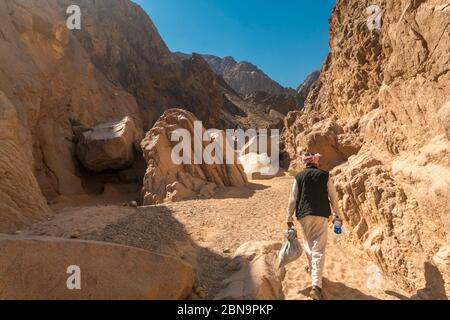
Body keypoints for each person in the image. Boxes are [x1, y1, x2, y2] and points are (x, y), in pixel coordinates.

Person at [286, 152, 342, 300]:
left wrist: (289, 217)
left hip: (303, 216)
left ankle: (313, 272)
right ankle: (316, 285)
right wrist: (338, 214)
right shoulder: (324, 175)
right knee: (319, 249)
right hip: (321, 214)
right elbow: (333, 197)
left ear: (305, 163)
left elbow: (293, 198)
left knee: (309, 246)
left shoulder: (298, 177)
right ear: (316, 162)